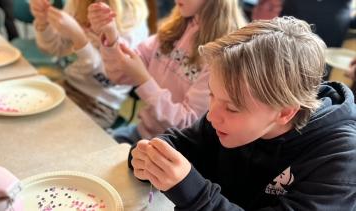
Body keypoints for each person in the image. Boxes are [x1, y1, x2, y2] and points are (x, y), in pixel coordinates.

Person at [129, 17, 356, 210]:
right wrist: (150, 158)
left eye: (232, 107)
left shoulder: (340, 160)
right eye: (212, 94)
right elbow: (182, 143)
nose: (211, 116)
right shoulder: (224, 118)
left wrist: (193, 194)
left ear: (285, 113)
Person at [88, 0, 247, 144]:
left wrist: (143, 80)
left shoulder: (224, 53)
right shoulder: (177, 26)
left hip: (172, 150)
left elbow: (187, 125)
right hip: (143, 133)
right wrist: (111, 36)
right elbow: (118, 75)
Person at [30, 0, 149, 129]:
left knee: (50, 135)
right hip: (69, 85)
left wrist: (79, 38)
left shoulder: (132, 20)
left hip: (100, 104)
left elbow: (107, 79)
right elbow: (55, 49)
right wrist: (43, 22)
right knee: (30, 122)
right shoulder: (77, 4)